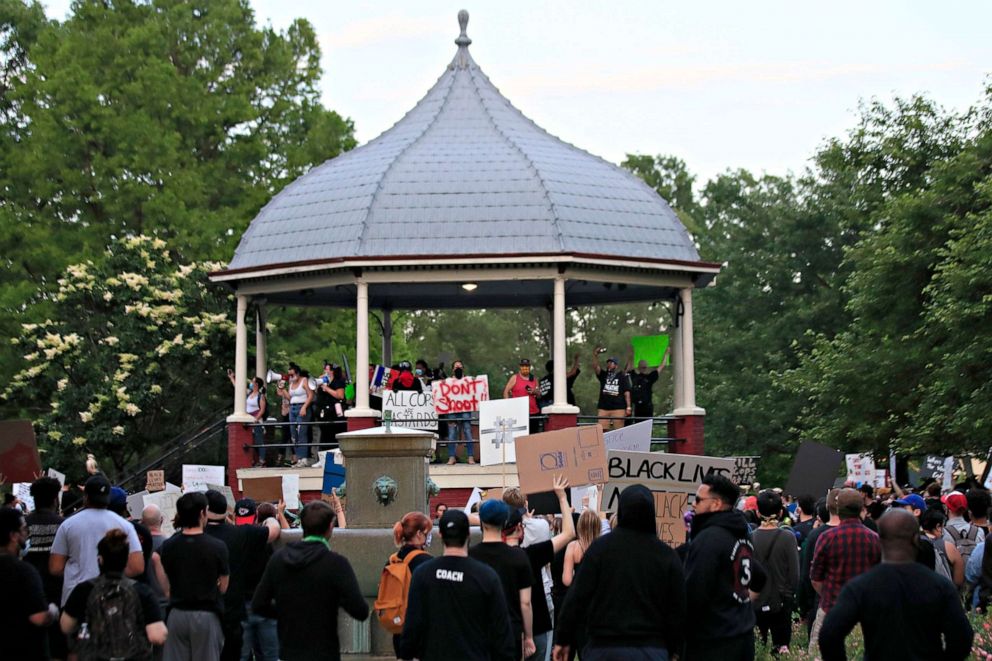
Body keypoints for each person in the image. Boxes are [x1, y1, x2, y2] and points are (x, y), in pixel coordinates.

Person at [818, 509, 973, 660]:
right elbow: (962, 638)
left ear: (880, 539)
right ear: (915, 539)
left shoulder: (861, 587)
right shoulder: (940, 586)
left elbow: (829, 635)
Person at [553, 485, 686, 661]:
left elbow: (577, 596)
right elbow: (678, 607)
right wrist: (674, 649)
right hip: (650, 647)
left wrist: (563, 638)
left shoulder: (600, 550)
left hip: (604, 647)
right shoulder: (666, 555)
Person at [252, 500, 369, 661]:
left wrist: (286, 612)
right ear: (330, 528)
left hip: (289, 651)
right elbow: (360, 611)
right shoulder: (336, 563)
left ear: (303, 526)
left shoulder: (278, 560)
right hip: (324, 651)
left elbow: (258, 604)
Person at [398, 509, 516, 661]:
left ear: (440, 534)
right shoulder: (486, 576)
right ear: (468, 534)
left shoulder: (423, 573)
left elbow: (413, 623)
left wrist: (405, 654)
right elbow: (501, 631)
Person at [683, 474, 764, 660]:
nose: (693, 505)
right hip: (743, 637)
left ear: (716, 504)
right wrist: (741, 605)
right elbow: (760, 575)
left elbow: (694, 594)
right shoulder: (743, 534)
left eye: (698, 500)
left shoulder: (708, 539)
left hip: (713, 642)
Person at [61, 529, 168, 659]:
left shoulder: (83, 590)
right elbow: (157, 636)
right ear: (126, 560)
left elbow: (65, 626)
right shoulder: (142, 592)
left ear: (100, 559)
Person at [504, 475, 575, 661]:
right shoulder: (540, 529)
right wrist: (561, 498)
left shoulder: (495, 548)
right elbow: (569, 533)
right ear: (525, 505)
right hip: (541, 593)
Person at [204, 490, 280, 661]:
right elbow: (274, 531)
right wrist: (271, 518)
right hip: (260, 606)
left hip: (227, 608)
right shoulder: (246, 534)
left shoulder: (203, 536)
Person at [50, 475, 145, 607]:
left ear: (86, 496)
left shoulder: (68, 525)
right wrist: (115, 575)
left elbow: (55, 568)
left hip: (75, 597)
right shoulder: (124, 526)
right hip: (113, 596)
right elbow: (137, 567)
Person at [808, 488, 881, 656]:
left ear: (837, 510)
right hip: (865, 613)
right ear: (861, 509)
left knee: (820, 655)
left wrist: (828, 594)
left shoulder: (826, 538)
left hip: (830, 609)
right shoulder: (874, 538)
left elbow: (815, 578)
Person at [159, 492, 230, 661]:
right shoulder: (217, 547)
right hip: (206, 614)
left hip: (176, 613)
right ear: (202, 513)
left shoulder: (169, 545)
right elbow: (224, 587)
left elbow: (163, 576)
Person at [470, 499, 536, 659]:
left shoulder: (470, 555)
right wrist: (528, 637)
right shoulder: (518, 556)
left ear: (482, 523)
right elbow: (525, 603)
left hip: (478, 631)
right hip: (509, 631)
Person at [0, 506, 59, 661]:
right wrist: (52, 611)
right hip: (24, 650)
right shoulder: (23, 571)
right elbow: (39, 617)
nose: (27, 534)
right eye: (24, 529)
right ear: (13, 535)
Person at [751, 490, 799, 655]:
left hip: (756, 602)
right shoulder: (788, 537)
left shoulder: (750, 537)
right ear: (780, 512)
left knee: (758, 649)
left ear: (757, 511)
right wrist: (788, 594)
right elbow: (794, 575)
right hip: (781, 602)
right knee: (780, 650)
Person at [25, 476, 66, 660]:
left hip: (27, 595)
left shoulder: (23, 524)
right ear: (55, 498)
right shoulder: (63, 525)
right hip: (58, 593)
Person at [383, 511, 434, 656]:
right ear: (419, 534)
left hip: (399, 629)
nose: (429, 537)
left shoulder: (393, 559)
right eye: (427, 533)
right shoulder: (426, 562)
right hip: (422, 634)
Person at [278, 363, 313, 467]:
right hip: (292, 408)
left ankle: (303, 458)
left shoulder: (304, 380)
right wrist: (283, 389)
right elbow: (290, 397)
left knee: (302, 432)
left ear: (297, 373)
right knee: (294, 434)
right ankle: (298, 457)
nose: (291, 377)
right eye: (289, 376)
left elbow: (310, 394)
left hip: (302, 407)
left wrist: (304, 407)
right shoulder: (291, 383)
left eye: (292, 375)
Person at [230, 373, 268, 466]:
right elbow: (238, 389)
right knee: (250, 440)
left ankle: (262, 460)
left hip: (256, 420)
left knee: (259, 440)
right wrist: (232, 378)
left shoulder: (260, 396)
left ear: (257, 384)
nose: (251, 383)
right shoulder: (249, 393)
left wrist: (256, 419)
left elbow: (262, 410)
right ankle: (252, 460)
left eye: (253, 381)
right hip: (248, 419)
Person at [624, 344, 669, 420]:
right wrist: (631, 355)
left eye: (644, 367)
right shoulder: (634, 376)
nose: (643, 369)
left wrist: (666, 354)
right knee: (638, 426)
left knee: (647, 425)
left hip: (647, 406)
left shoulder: (650, 377)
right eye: (641, 367)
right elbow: (629, 368)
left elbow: (661, 366)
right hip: (637, 406)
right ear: (638, 367)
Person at [445, 360, 476, 465]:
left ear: (463, 369)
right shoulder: (448, 381)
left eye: (460, 366)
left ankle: (470, 457)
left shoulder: (468, 380)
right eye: (456, 366)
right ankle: (451, 457)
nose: (458, 368)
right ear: (453, 369)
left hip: (465, 409)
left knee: (467, 432)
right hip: (452, 410)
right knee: (452, 433)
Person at [591, 348, 631, 431]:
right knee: (602, 430)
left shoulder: (621, 376)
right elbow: (596, 367)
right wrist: (595, 355)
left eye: (611, 363)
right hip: (604, 407)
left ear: (616, 366)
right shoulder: (603, 375)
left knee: (619, 431)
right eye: (608, 363)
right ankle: (604, 444)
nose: (609, 364)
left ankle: (619, 444)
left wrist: (628, 407)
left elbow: (626, 392)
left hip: (618, 407)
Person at [502, 358, 540, 433]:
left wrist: (534, 392)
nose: (525, 368)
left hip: (533, 412)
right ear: (520, 367)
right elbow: (506, 391)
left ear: (529, 367)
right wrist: (507, 405)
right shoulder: (515, 378)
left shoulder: (534, 379)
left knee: (533, 435)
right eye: (523, 366)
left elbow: (539, 396)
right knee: (520, 435)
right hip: (519, 412)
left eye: (526, 366)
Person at [314, 362, 346, 450]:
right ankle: (322, 455)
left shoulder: (338, 381)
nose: (325, 371)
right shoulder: (323, 381)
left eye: (327, 369)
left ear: (332, 371)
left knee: (332, 434)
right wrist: (318, 384)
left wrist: (327, 388)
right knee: (324, 434)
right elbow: (317, 393)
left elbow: (340, 395)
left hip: (334, 412)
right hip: (323, 411)